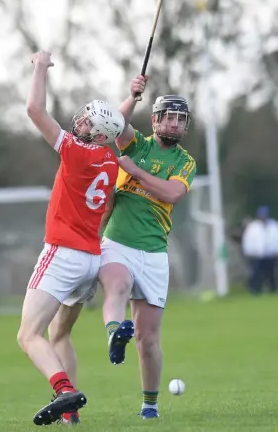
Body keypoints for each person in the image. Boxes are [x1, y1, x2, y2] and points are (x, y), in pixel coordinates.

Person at [17, 51, 125, 426]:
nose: (78, 122)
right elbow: (113, 128)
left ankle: (64, 390)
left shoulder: (75, 152)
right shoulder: (111, 159)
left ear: (97, 134)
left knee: (28, 335)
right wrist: (126, 102)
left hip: (62, 253)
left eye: (86, 121)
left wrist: (40, 68)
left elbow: (34, 109)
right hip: (91, 259)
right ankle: (71, 414)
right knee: (58, 331)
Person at [98, 75, 196, 419]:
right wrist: (132, 96)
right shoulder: (136, 143)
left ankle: (150, 405)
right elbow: (112, 126)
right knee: (118, 285)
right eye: (168, 116)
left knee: (148, 340)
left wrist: (135, 173)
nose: (174, 123)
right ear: (155, 120)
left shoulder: (185, 162)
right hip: (118, 242)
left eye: (180, 119)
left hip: (154, 252)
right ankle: (114, 332)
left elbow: (171, 194)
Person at [242, 206, 278, 294]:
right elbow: (247, 240)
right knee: (256, 273)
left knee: (272, 273)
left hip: (271, 254)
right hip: (257, 254)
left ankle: (273, 289)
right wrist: (248, 251)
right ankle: (255, 289)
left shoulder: (275, 226)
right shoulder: (252, 227)